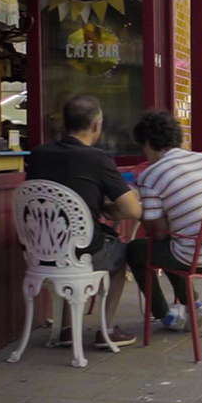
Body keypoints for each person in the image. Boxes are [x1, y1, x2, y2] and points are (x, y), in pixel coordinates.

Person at [26, 95, 142, 348]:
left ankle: (67, 329)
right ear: (97, 125)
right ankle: (106, 329)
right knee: (120, 255)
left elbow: (61, 196)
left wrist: (97, 206)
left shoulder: (37, 155)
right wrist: (114, 208)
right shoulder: (97, 159)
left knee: (73, 240)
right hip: (81, 253)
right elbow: (132, 210)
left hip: (40, 250)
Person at [126, 111, 202, 327]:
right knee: (175, 245)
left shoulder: (151, 175)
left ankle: (165, 315)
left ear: (149, 143)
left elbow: (158, 234)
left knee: (137, 250)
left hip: (198, 258)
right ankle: (194, 304)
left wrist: (140, 210)